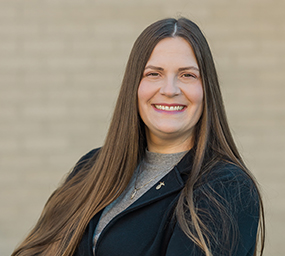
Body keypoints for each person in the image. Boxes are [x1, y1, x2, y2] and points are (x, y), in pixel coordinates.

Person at [12, 17, 265, 256]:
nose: (169, 90)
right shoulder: (91, 167)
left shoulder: (226, 188)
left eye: (187, 75)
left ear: (206, 89)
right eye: (153, 73)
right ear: (134, 86)